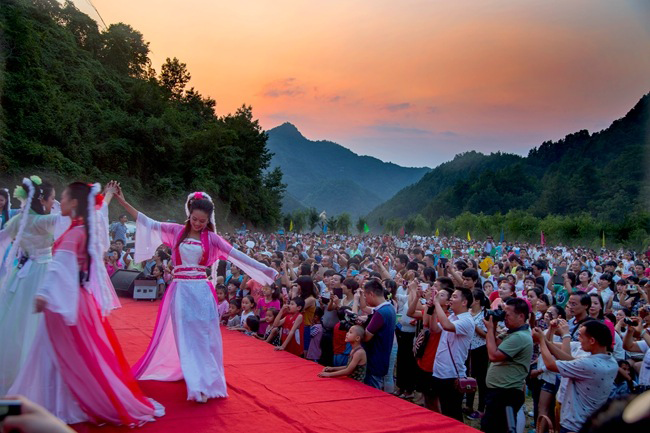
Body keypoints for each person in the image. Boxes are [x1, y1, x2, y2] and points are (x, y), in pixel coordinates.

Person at [8, 182, 163, 425]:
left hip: (64, 299)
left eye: (65, 198)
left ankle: (62, 402)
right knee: (68, 352)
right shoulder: (81, 229)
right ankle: (59, 400)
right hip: (74, 298)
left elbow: (60, 267)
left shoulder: (75, 233)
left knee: (60, 352)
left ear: (76, 204)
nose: (61, 202)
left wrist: (44, 294)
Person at [115, 188, 277, 403]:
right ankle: (196, 383)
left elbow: (238, 256)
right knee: (185, 336)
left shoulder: (212, 238)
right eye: (194, 219)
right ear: (188, 215)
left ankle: (206, 380)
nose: (198, 223)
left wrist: (266, 270)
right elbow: (147, 222)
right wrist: (122, 201)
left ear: (209, 220)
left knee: (203, 336)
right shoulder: (175, 231)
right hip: (181, 291)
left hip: (201, 291)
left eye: (203, 220)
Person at [535, 320, 618, 433]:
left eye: (580, 336)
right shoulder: (611, 362)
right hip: (590, 421)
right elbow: (569, 360)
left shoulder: (589, 365)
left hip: (574, 424)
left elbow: (551, 365)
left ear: (592, 340)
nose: (578, 339)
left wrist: (541, 340)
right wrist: (545, 340)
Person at [481, 298, 534, 433]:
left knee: (497, 428)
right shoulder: (512, 333)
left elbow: (493, 355)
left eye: (507, 315)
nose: (505, 317)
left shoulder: (520, 337)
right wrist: (495, 323)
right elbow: (496, 343)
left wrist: (490, 329)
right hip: (499, 392)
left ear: (521, 316)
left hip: (506, 393)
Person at [429, 287, 475, 421]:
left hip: (452, 374)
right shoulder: (453, 317)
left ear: (464, 302)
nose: (450, 299)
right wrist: (433, 310)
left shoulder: (466, 320)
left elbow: (447, 325)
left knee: (452, 414)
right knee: (441, 411)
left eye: (454, 297)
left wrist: (437, 303)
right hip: (440, 370)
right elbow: (434, 328)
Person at [361, 279, 397, 389]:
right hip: (381, 356)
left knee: (372, 391)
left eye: (365, 296)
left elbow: (367, 337)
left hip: (375, 359)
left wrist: (358, 331)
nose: (366, 300)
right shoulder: (389, 308)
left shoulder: (381, 312)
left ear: (371, 294)